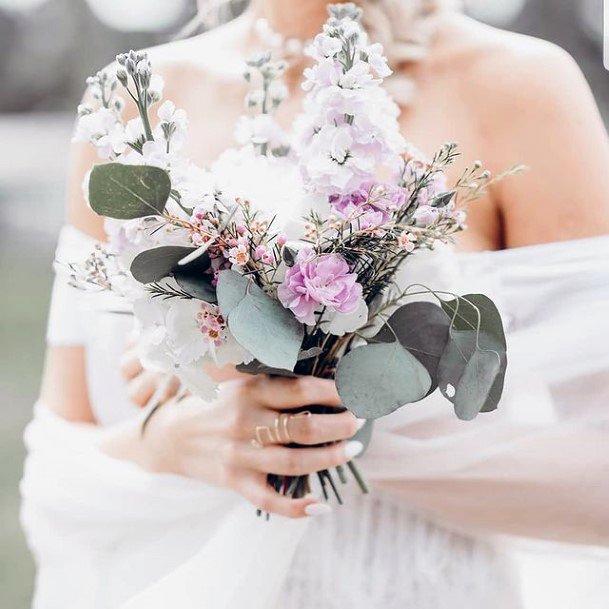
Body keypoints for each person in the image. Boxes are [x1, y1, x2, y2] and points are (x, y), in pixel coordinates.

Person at [21, 1, 609, 608]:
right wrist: (170, 444)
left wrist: (333, 430)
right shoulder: (131, 105)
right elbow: (57, 469)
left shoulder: (518, 85)